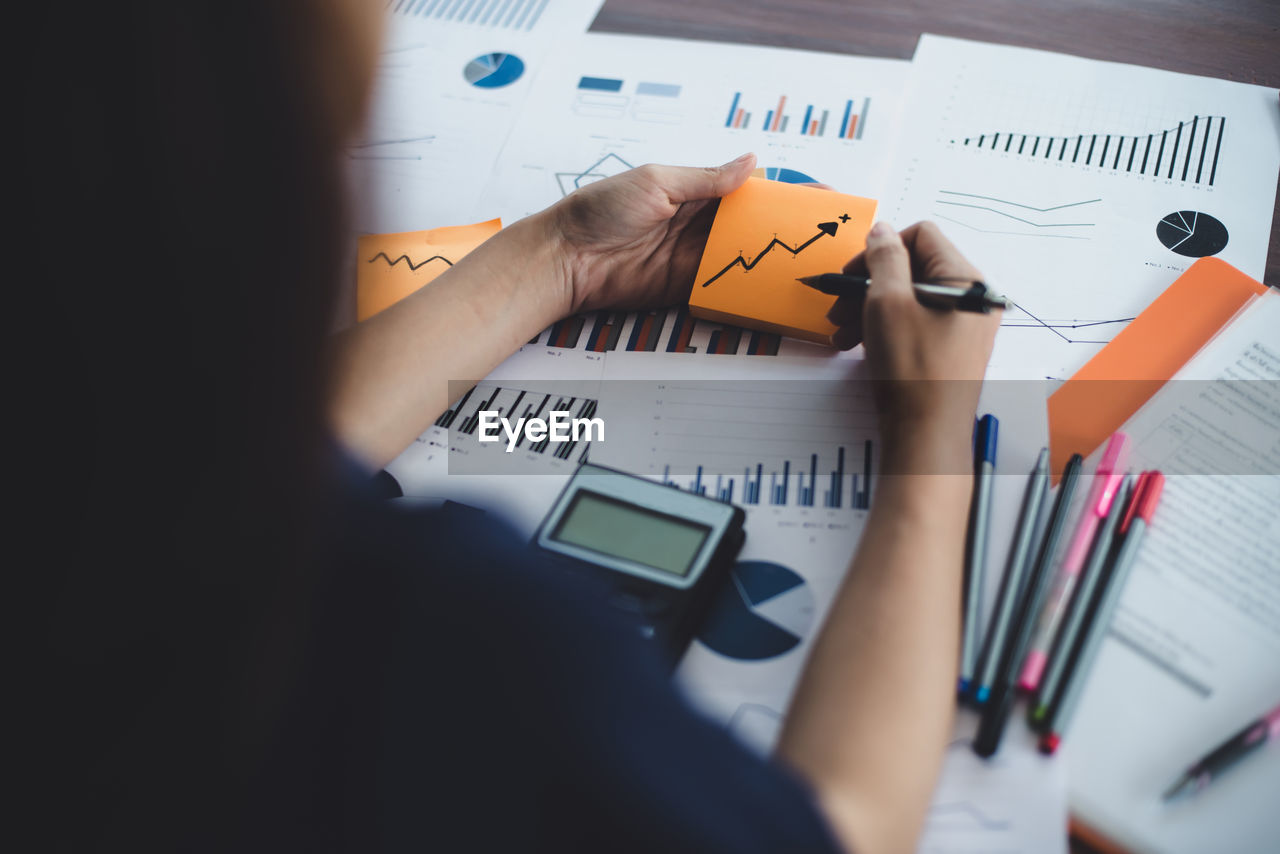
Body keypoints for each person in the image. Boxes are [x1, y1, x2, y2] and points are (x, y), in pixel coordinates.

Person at [22, 2, 998, 851]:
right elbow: (841, 829)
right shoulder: (450, 635)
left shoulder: (79, 504)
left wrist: (566, 254)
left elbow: (248, 480)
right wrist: (931, 434)